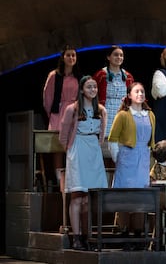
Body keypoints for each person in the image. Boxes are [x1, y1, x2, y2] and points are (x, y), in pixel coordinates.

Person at [59, 75, 108, 250]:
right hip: (77, 149)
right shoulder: (72, 109)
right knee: (77, 196)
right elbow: (63, 136)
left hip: (93, 150)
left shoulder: (100, 110)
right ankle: (77, 237)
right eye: (89, 87)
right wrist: (70, 151)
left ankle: (88, 236)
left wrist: (96, 145)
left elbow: (102, 134)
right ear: (81, 90)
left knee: (88, 199)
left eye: (94, 87)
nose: (93, 90)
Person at [107, 82, 156, 244]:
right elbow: (112, 139)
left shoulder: (150, 115)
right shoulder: (123, 115)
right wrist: (118, 158)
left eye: (142, 91)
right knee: (125, 196)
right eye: (137, 91)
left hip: (143, 159)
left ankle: (138, 232)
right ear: (129, 95)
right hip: (127, 157)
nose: (140, 94)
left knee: (140, 196)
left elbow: (151, 140)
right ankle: (123, 230)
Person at [43, 45, 82, 189]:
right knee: (59, 148)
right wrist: (53, 114)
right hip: (59, 114)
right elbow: (47, 97)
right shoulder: (54, 75)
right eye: (68, 55)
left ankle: (73, 181)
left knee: (74, 147)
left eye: (73, 55)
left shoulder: (79, 76)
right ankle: (60, 181)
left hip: (74, 114)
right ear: (63, 57)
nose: (71, 58)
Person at [93, 45, 135, 163]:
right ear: (108, 57)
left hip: (122, 113)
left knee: (120, 146)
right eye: (116, 55)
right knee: (105, 147)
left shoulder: (128, 76)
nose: (119, 57)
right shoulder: (101, 75)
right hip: (106, 113)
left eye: (121, 55)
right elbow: (91, 93)